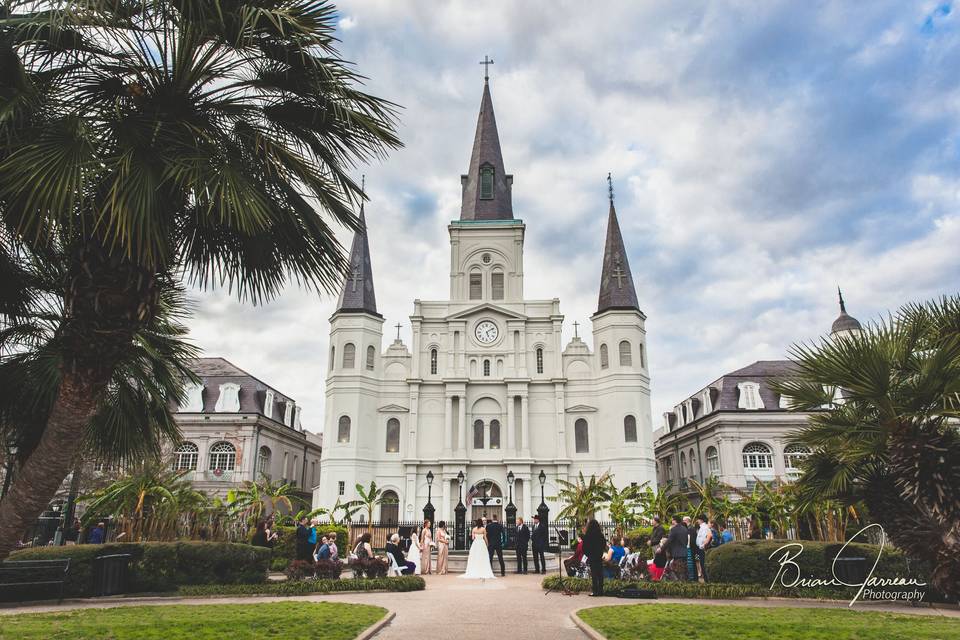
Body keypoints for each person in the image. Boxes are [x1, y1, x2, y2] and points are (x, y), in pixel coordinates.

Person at [582, 519, 606, 596]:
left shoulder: (588, 535)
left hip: (592, 556)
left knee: (594, 574)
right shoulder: (600, 535)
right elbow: (604, 544)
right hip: (598, 555)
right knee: (600, 573)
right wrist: (600, 552)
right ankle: (601, 590)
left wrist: (588, 554)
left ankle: (595, 591)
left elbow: (584, 547)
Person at [666, 515, 689, 581]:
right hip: (684, 552)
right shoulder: (685, 529)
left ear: (675, 521)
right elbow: (686, 540)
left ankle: (680, 585)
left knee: (678, 571)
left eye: (672, 520)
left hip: (677, 553)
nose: (671, 521)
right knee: (684, 571)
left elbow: (669, 540)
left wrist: (661, 548)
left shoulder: (674, 529)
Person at [695, 516, 712, 581]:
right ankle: (705, 579)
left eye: (698, 519)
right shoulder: (702, 527)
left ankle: (706, 580)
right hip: (700, 549)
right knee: (701, 564)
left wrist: (704, 545)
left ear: (701, 520)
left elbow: (709, 535)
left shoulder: (704, 527)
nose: (697, 521)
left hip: (702, 549)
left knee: (703, 565)